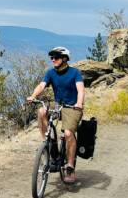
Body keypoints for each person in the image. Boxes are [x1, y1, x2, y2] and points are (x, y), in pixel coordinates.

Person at [27, 46, 85, 183]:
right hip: (58, 105)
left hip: (72, 107)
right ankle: (48, 143)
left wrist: (79, 103)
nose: (53, 60)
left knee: (68, 134)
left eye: (56, 57)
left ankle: (70, 167)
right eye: (51, 58)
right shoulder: (51, 73)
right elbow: (42, 85)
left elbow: (81, 90)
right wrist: (33, 95)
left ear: (65, 59)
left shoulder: (74, 72)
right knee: (41, 111)